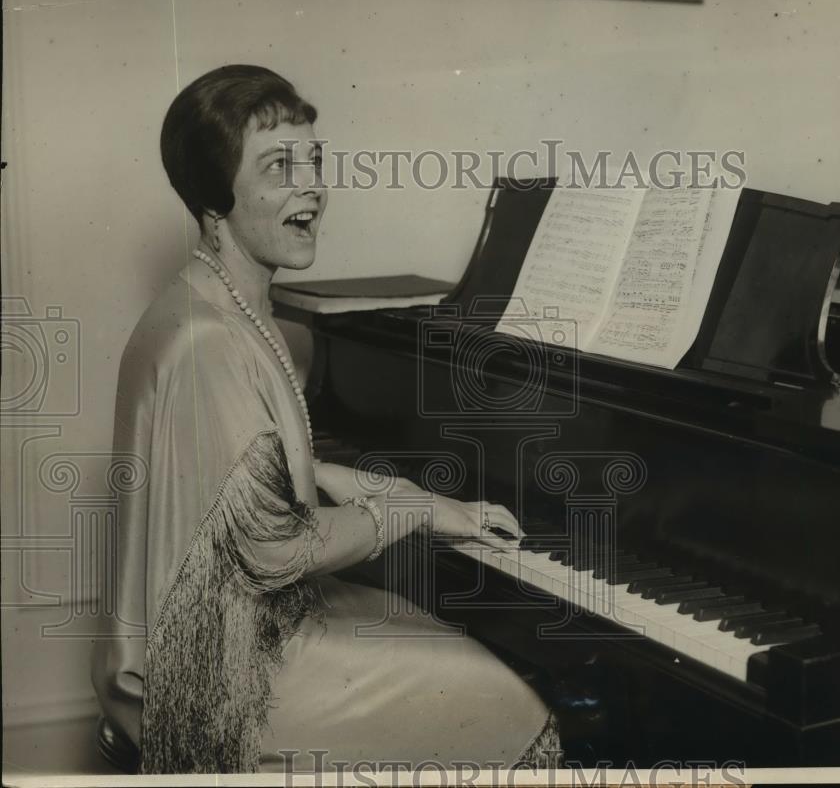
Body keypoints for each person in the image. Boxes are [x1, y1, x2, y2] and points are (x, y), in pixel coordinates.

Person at [91, 64, 560, 775]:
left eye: (313, 160)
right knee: (513, 707)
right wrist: (410, 506)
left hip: (237, 629)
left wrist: (381, 490)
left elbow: (251, 464)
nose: (311, 184)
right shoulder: (210, 341)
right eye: (280, 166)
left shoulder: (216, 299)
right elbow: (275, 551)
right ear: (216, 198)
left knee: (428, 639)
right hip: (229, 675)